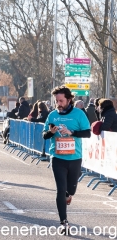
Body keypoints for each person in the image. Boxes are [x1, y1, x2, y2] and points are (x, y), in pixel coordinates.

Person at [42, 86, 90, 234]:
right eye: (57, 101)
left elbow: (88, 133)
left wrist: (72, 132)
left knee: (71, 189)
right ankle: (64, 222)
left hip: (75, 157)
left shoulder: (79, 114)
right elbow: (44, 135)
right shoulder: (52, 115)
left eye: (61, 101)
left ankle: (69, 194)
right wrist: (50, 132)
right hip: (57, 157)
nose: (58, 104)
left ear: (69, 100)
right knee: (60, 190)